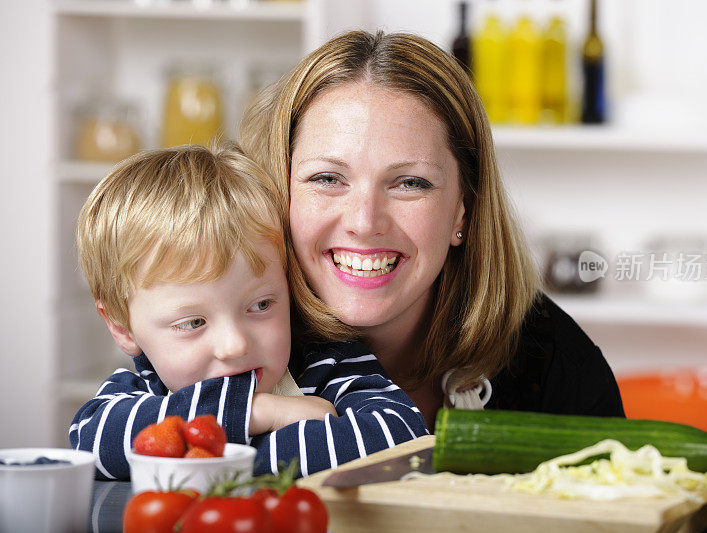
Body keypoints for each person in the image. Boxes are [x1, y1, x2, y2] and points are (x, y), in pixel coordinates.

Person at [240, 30, 624, 432]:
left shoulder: (553, 362)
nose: (364, 222)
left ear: (464, 210)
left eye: (410, 183)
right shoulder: (220, 342)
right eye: (326, 178)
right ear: (280, 189)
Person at [70, 144, 428, 480]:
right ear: (122, 327)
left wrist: (204, 454)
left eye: (260, 305)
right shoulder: (139, 397)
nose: (235, 345)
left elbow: (403, 437)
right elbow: (90, 440)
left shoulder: (326, 369)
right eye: (193, 322)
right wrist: (261, 414)